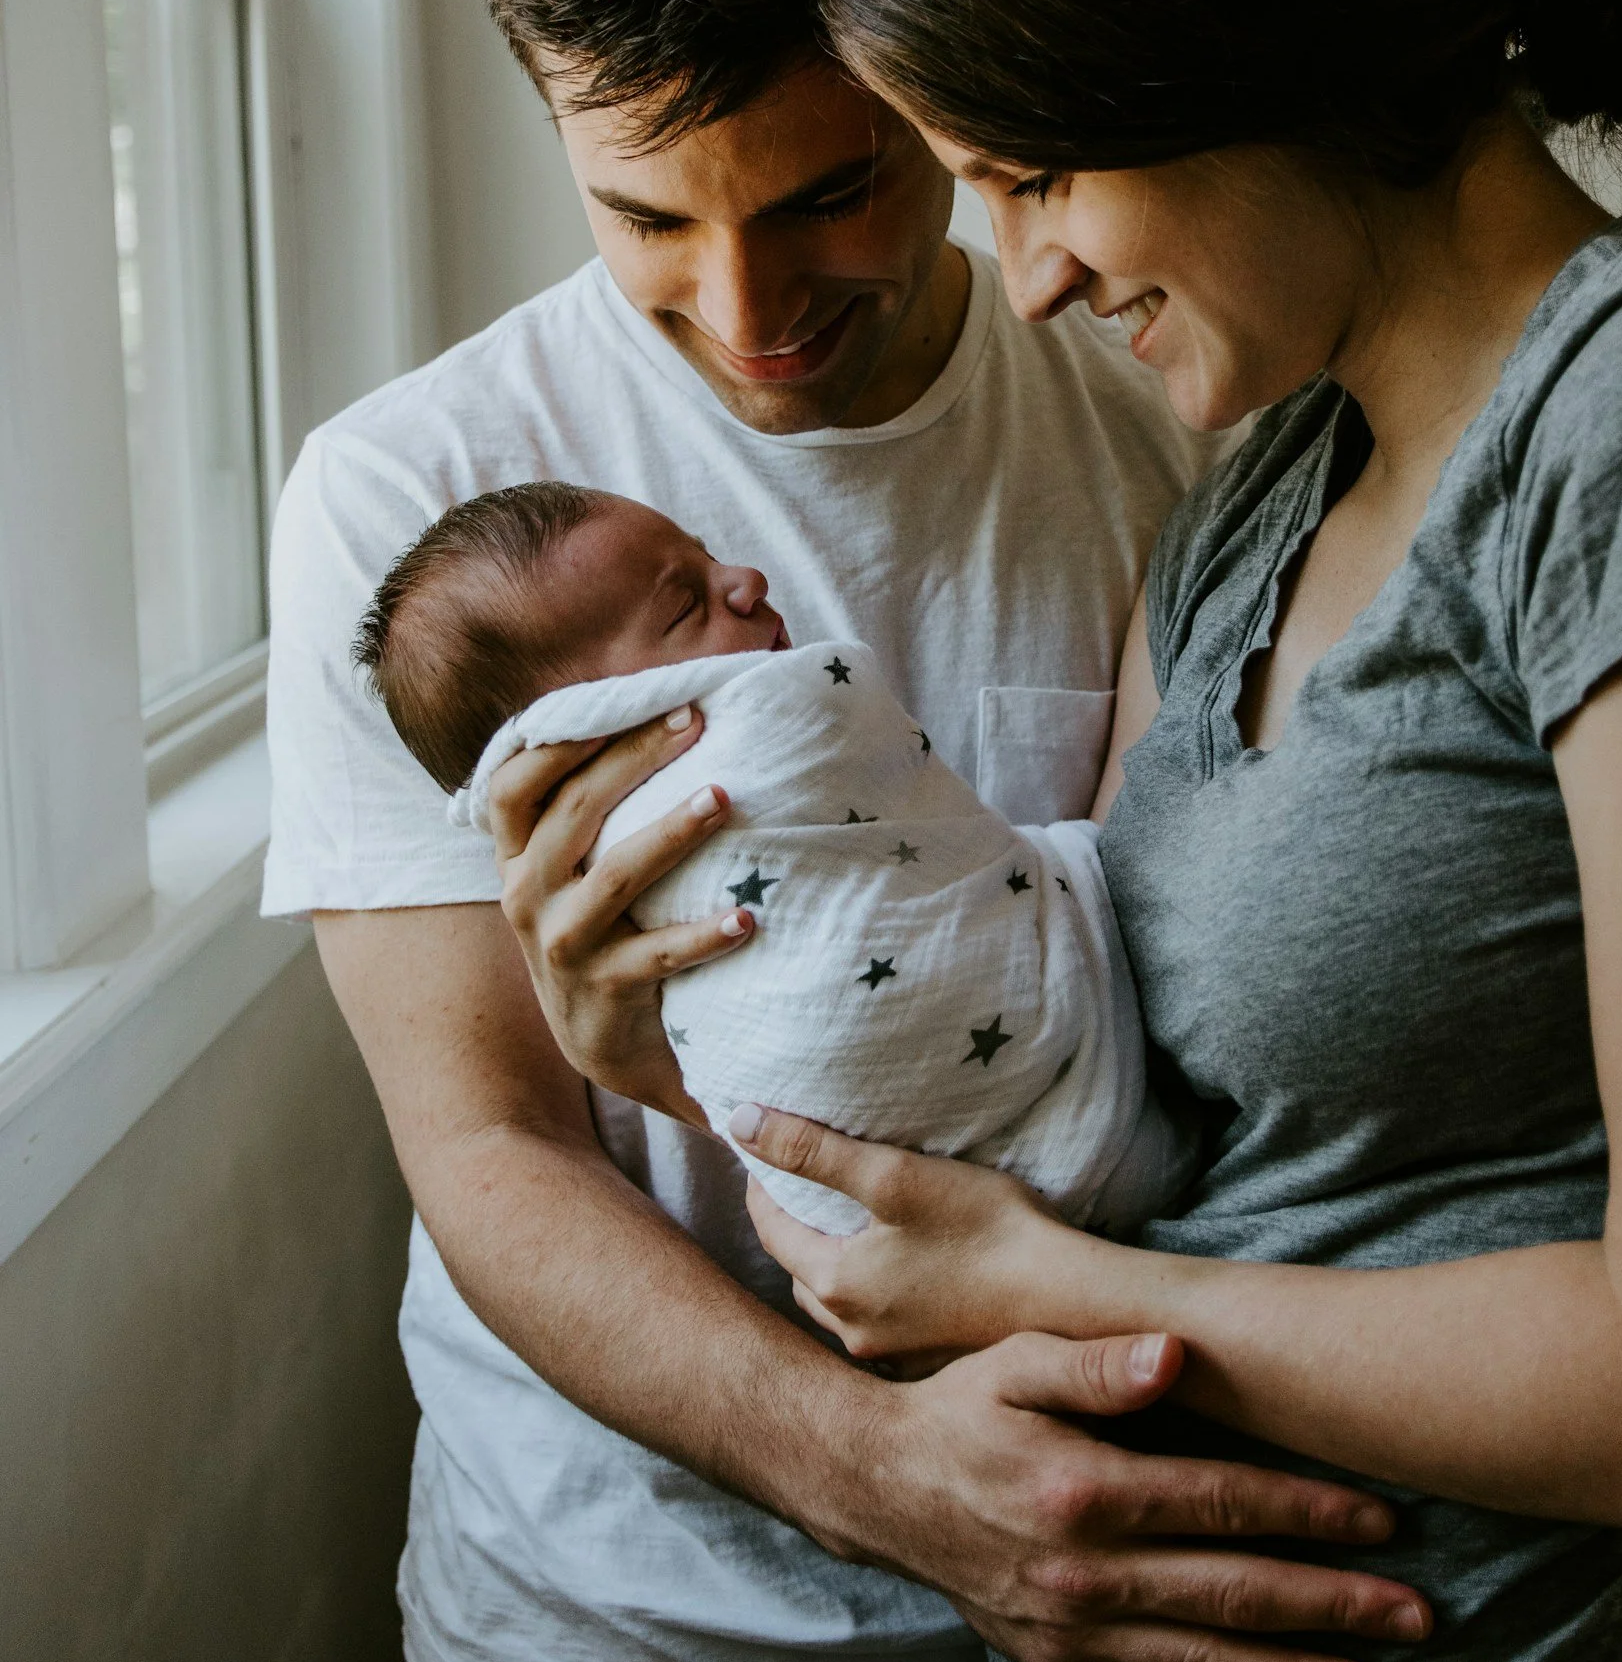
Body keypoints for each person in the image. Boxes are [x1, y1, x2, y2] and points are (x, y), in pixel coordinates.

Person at [262, 0, 1433, 1662]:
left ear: (928, 66)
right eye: (641, 214)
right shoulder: (410, 513)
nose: (742, 309)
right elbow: (490, 1147)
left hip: (1100, 1638)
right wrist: (884, 1475)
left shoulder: (1171, 413)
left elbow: (1228, 1017)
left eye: (827, 189)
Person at [640, 0, 1622, 1662]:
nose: (1021, 271)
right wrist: (679, 1038)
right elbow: (1103, 1111)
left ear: (1238, 49)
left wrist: (1080, 1302)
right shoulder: (1249, 494)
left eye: (1031, 174)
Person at [355, 480, 1189, 1239]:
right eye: (685, 606)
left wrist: (644, 1067)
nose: (746, 578)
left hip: (907, 1226)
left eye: (707, 555)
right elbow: (484, 1147)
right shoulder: (379, 478)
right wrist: (623, 1058)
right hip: (808, 1284)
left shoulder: (1147, 461)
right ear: (593, 720)